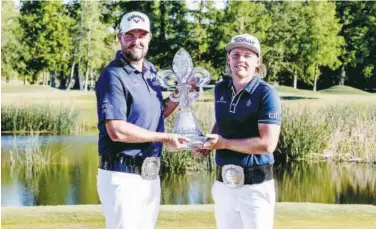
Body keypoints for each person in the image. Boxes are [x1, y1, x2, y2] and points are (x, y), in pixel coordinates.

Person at [95, 11, 188, 229]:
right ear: (120, 37)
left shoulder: (151, 71)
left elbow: (157, 113)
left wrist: (180, 93)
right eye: (130, 35)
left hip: (149, 175)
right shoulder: (113, 75)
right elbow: (117, 130)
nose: (136, 41)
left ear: (149, 38)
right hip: (122, 175)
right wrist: (165, 137)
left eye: (142, 35)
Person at [193, 34, 282, 229]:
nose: (240, 60)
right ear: (228, 59)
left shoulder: (267, 93)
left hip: (255, 187)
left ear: (257, 61)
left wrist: (223, 143)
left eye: (247, 55)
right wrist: (208, 145)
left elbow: (268, 144)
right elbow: (221, 122)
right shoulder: (221, 88)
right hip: (223, 185)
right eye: (235, 54)